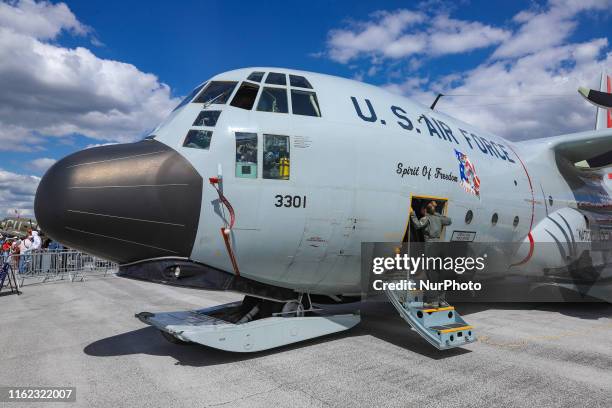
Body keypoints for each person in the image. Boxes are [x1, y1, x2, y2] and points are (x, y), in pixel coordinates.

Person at [410, 200, 452, 306]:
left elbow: (417, 225)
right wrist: (436, 213)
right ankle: (441, 300)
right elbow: (449, 221)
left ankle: (433, 300)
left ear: (424, 210)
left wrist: (412, 214)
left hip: (431, 246)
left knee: (431, 274)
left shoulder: (426, 218)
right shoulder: (439, 218)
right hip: (440, 246)